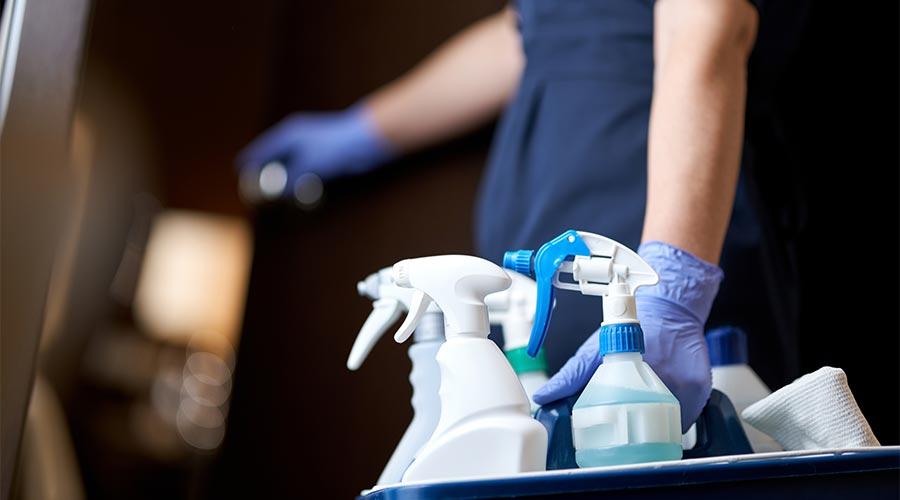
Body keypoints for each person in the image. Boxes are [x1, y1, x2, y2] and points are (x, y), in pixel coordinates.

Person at [237, 0, 809, 432]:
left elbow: (704, 21)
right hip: (544, 265)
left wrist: (675, 285)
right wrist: (365, 132)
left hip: (656, 230)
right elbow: (536, 32)